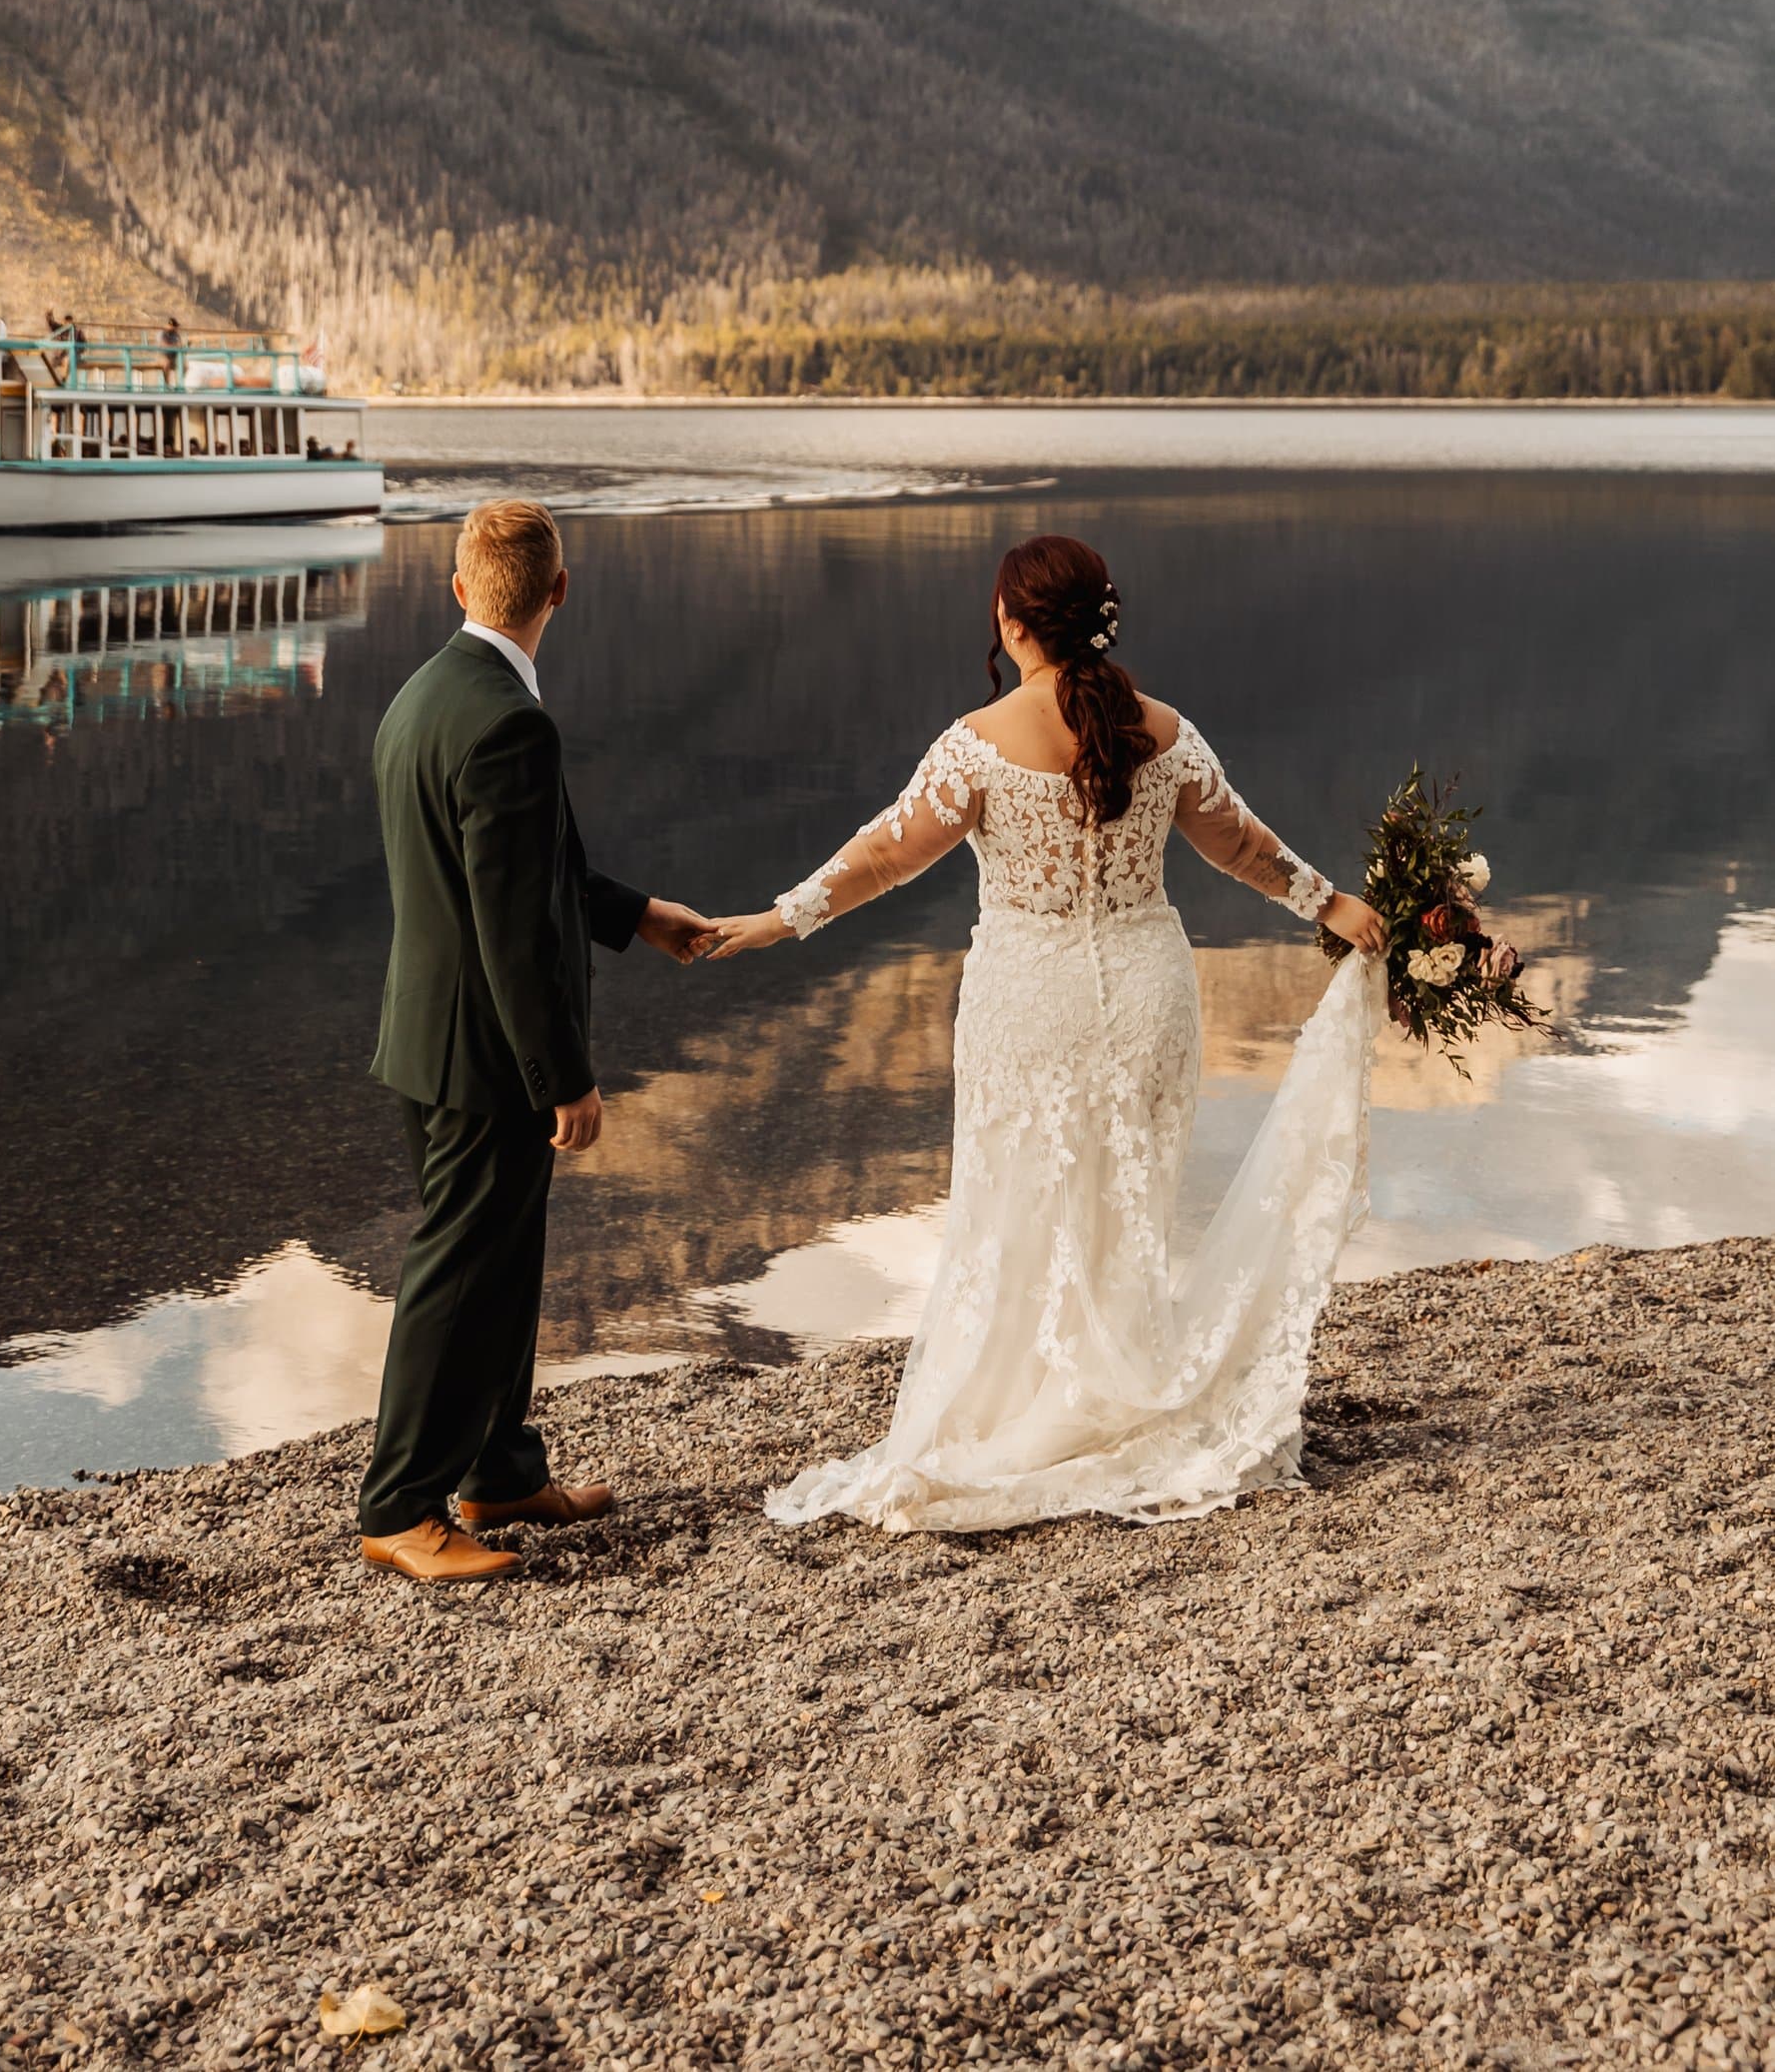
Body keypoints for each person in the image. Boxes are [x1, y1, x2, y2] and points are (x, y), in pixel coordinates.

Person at [698, 530, 1387, 1535]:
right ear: (1099, 620)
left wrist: (782, 915)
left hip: (1028, 998)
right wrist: (1330, 906)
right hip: (1148, 991)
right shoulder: (1162, 728)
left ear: (1011, 623)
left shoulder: (979, 741)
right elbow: (1238, 844)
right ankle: (1114, 1388)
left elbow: (888, 855)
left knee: (1016, 1199)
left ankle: (1036, 1403)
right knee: (1127, 1198)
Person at [357, 499, 713, 1586]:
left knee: (502, 1267)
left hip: (430, 1039)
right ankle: (400, 1508)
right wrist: (563, 1077)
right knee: (459, 1273)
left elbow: (515, 870)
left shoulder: (424, 696)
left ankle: (501, 1473)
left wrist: (635, 913)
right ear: (559, 590)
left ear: (459, 588)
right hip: (486, 1056)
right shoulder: (512, 722)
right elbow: (508, 926)